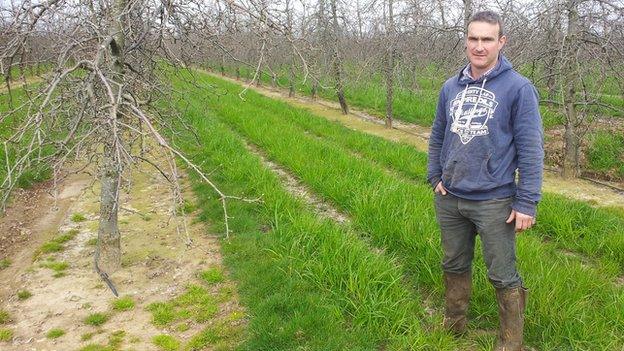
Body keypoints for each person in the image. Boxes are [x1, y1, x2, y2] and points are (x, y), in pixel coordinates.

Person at [426, 10, 544, 351]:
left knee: (502, 273)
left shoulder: (518, 88)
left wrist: (526, 201)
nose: (479, 46)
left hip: (495, 200)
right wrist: (435, 175)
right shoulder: (451, 86)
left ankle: (510, 342)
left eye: (487, 39)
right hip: (450, 197)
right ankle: (454, 324)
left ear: (501, 42)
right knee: (453, 262)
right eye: (473, 38)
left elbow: (531, 148)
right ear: (466, 41)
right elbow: (438, 135)